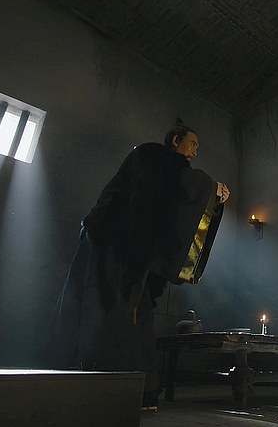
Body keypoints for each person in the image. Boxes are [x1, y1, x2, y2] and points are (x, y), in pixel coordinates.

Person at [49, 123, 229, 410]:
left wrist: (211, 199)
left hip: (125, 250)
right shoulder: (151, 155)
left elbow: (169, 208)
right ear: (175, 141)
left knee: (132, 312)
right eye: (193, 143)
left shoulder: (165, 174)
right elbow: (182, 185)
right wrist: (211, 187)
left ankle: (133, 393)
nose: (196, 151)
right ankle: (106, 392)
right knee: (113, 312)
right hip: (112, 243)